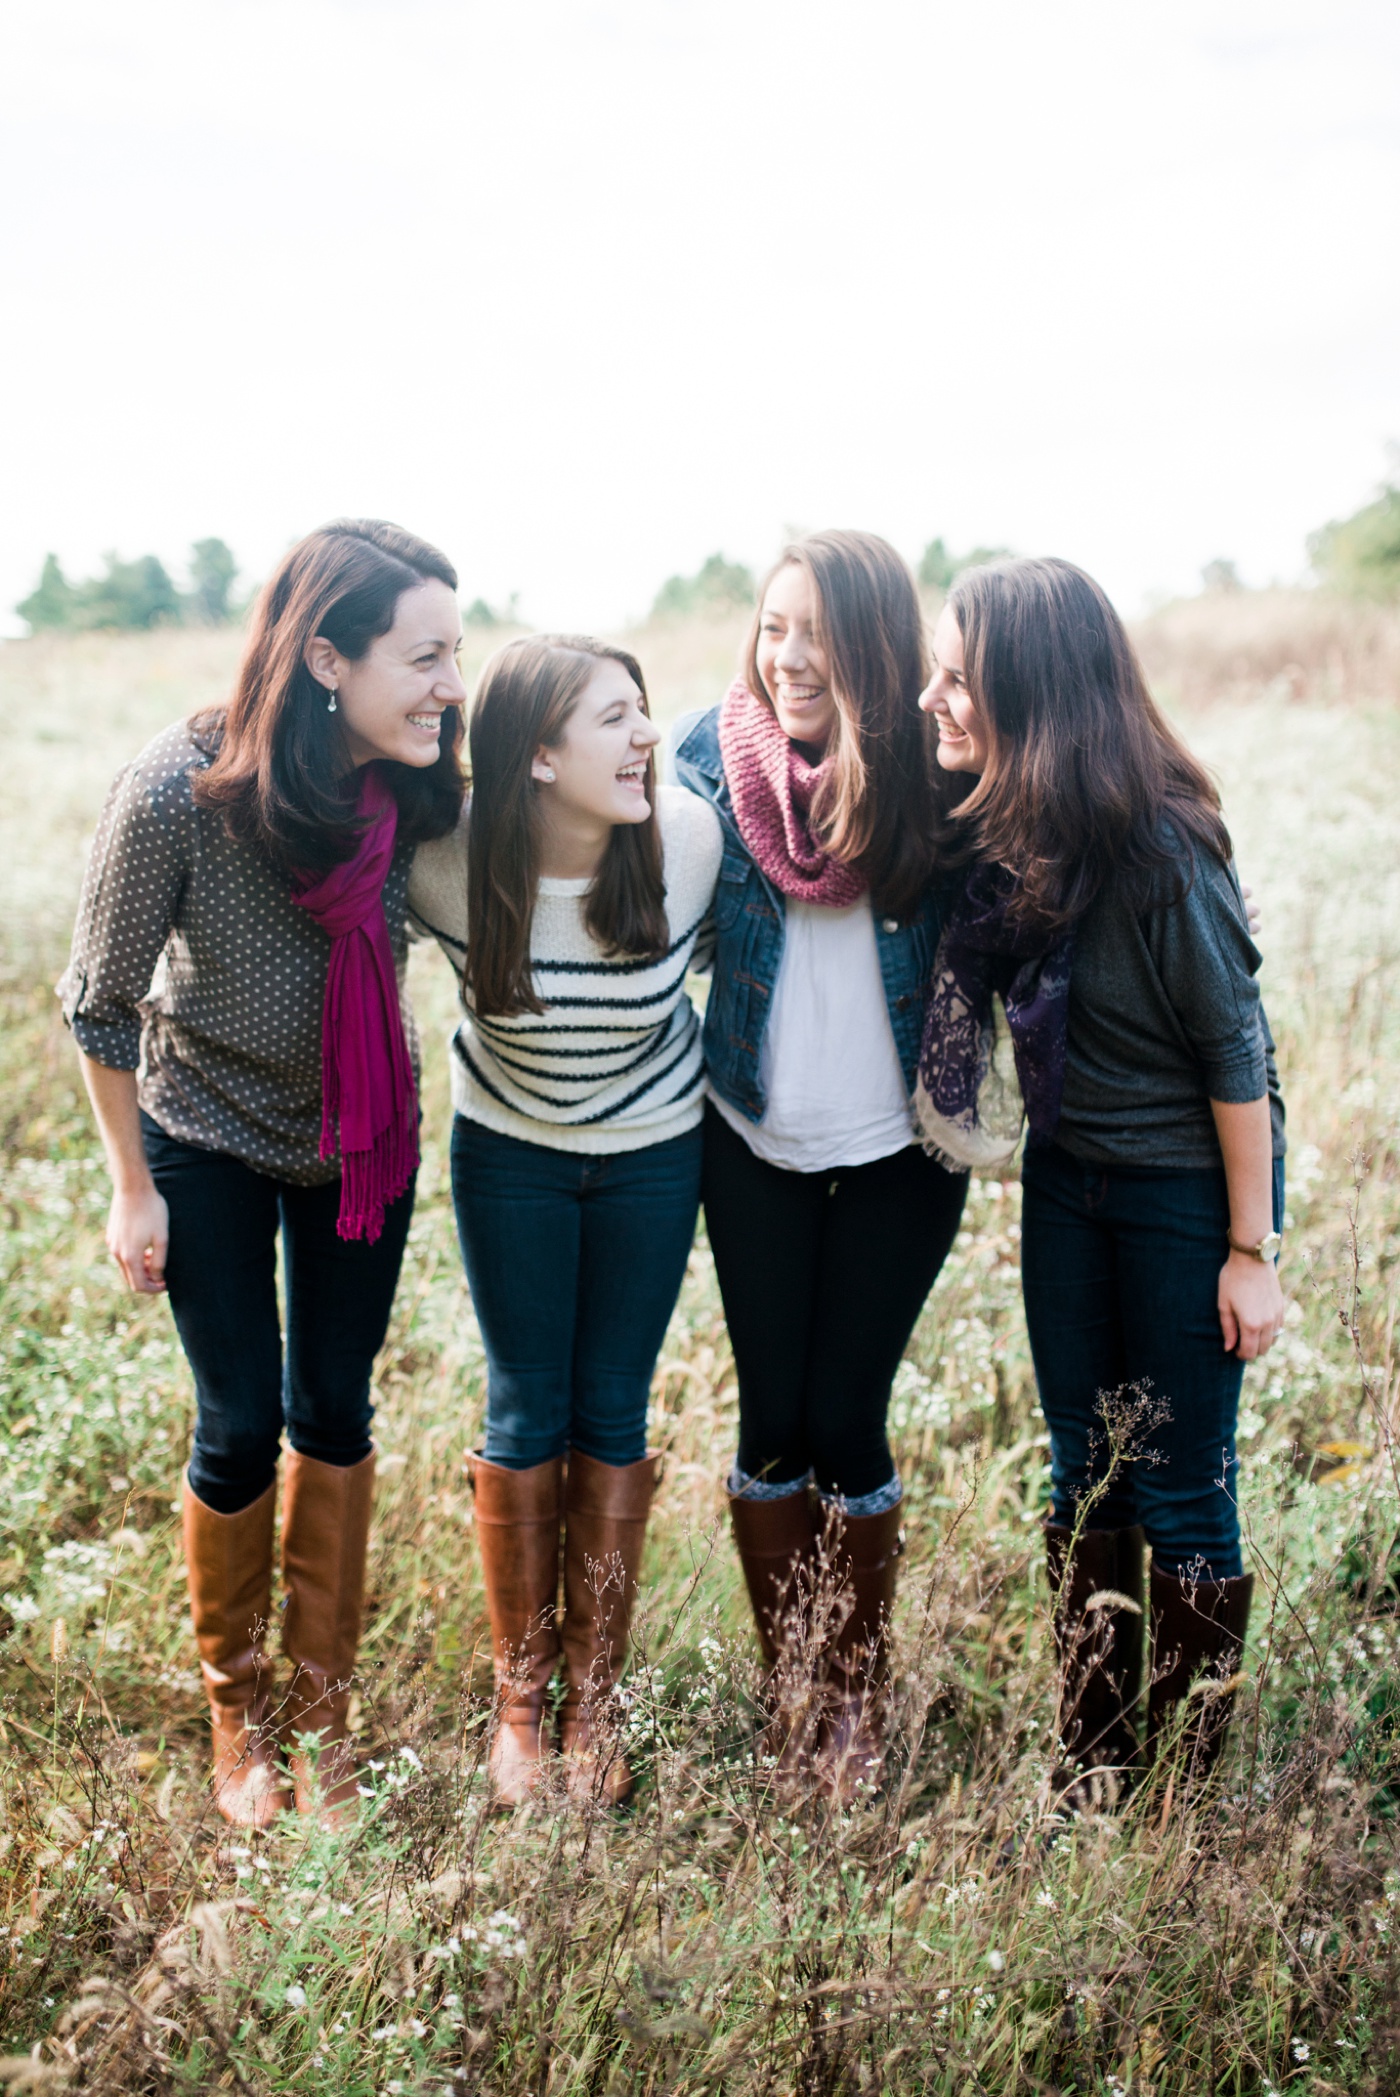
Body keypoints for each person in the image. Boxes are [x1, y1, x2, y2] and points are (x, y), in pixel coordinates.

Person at [59, 520, 467, 1827]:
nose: (451, 682)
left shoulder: (412, 785)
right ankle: (240, 1714)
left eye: (457, 652)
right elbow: (101, 1003)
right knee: (241, 1420)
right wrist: (134, 1185)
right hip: (208, 1135)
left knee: (334, 1413)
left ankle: (323, 1714)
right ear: (330, 658)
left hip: (361, 1137)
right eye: (426, 655)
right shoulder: (179, 789)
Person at [917, 555, 1285, 1794]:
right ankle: (1090, 1772)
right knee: (1081, 1476)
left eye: (958, 679)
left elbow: (1238, 1062)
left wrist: (1249, 1254)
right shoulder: (1012, 837)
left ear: (1028, 692)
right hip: (1068, 1191)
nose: (933, 700)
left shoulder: (1161, 853)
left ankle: (1179, 1801)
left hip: (1179, 1203)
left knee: (1179, 1493)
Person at [673, 531, 968, 1801]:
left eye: (816, 633)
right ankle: (790, 1685)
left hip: (903, 1145)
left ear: (875, 646)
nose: (786, 657)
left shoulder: (937, 777)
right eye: (770, 625)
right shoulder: (703, 756)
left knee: (847, 1417)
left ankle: (848, 1699)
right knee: (770, 1417)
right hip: (747, 1132)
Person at [408, 635, 722, 1806]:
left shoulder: (683, 846)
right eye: (613, 719)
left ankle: (596, 1701)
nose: (647, 735)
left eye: (644, 713)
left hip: (649, 1152)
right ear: (534, 755)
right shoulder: (445, 865)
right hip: (511, 1156)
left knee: (611, 1408)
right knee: (525, 1404)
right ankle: (520, 1708)